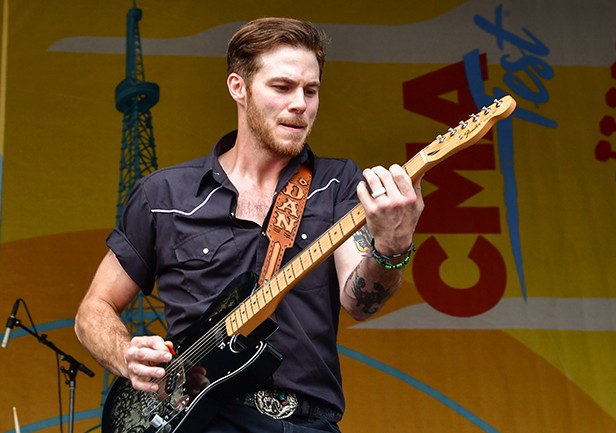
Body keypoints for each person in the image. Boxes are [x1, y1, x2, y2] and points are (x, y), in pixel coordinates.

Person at [74, 17, 423, 433]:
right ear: (238, 87)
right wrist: (126, 354)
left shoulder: (337, 183)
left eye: (310, 91)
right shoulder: (164, 195)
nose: (300, 104)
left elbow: (360, 302)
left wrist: (393, 245)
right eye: (282, 87)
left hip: (303, 422)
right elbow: (92, 310)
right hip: (194, 420)